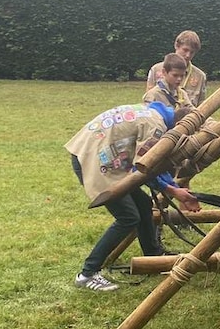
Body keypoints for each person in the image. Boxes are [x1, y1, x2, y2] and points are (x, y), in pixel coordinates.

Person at [65, 102, 201, 291]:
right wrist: (173, 190)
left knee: (144, 204)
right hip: (94, 161)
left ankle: (153, 257)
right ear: (180, 125)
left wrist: (172, 187)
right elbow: (144, 167)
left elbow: (152, 164)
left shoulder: (155, 115)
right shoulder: (156, 129)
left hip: (100, 157)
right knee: (128, 217)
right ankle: (87, 274)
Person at [146, 30, 207, 106]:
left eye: (192, 52)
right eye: (185, 50)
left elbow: (201, 105)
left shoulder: (200, 76)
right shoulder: (156, 70)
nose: (188, 55)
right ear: (176, 46)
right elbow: (149, 101)